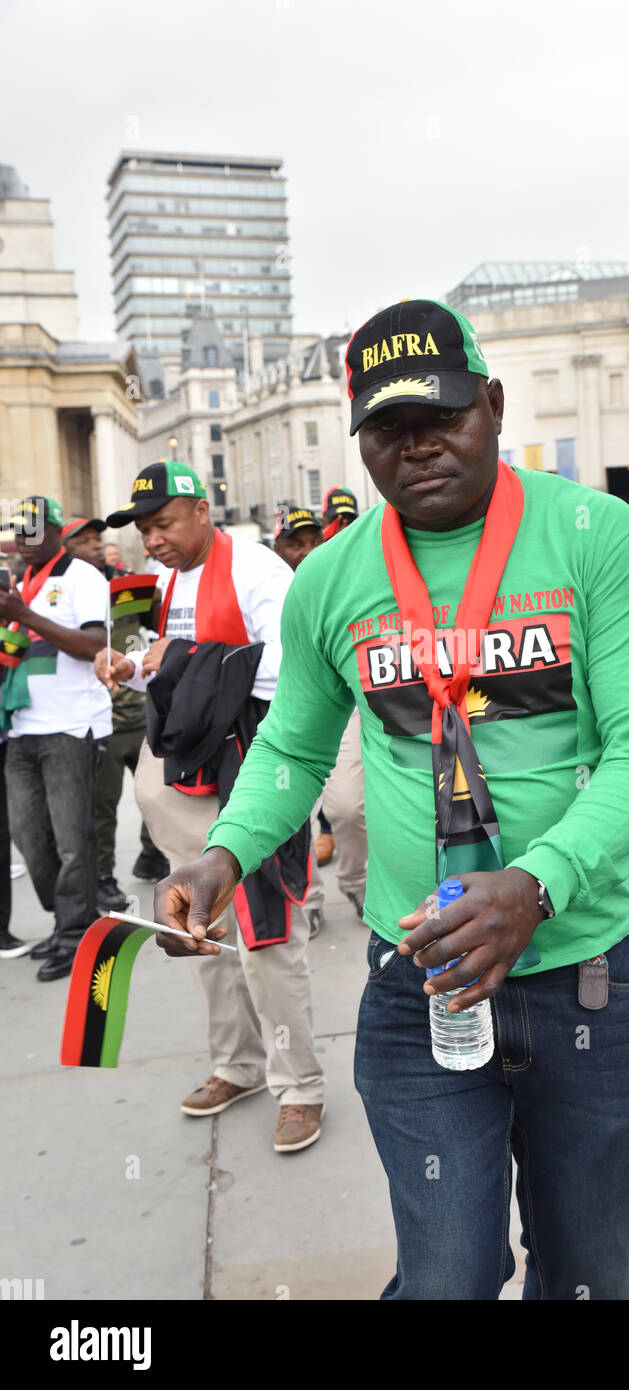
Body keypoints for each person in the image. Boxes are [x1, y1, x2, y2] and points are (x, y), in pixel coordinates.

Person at [152, 296, 629, 1301]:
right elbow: (293, 746)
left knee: (585, 1274)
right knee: (446, 1274)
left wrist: (536, 883)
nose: (420, 445)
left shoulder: (595, 538)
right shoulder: (331, 582)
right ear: (361, 442)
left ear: (491, 403)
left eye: (443, 416)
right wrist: (223, 851)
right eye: (389, 428)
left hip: (584, 985)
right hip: (419, 985)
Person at [97, 461, 326, 1153]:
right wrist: (125, 664)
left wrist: (180, 656)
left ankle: (301, 1087)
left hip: (246, 771)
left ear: (201, 510)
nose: (153, 540)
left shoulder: (259, 571)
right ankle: (239, 1064)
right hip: (179, 778)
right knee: (193, 927)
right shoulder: (150, 582)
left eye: (163, 524)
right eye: (143, 529)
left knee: (266, 934)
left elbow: (291, 668)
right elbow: (141, 654)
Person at [0, 496, 111, 980]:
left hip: (69, 724)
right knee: (29, 838)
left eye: (33, 531)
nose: (25, 542)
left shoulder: (81, 576)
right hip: (22, 724)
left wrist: (24, 616)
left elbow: (96, 646)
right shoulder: (21, 580)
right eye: (17, 532)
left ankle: (76, 933)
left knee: (72, 841)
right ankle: (66, 918)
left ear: (56, 530)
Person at [61, 517, 169, 911]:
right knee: (102, 806)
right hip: (98, 718)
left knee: (157, 796)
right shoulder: (61, 597)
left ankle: (152, 853)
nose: (94, 546)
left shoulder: (121, 587)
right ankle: (104, 875)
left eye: (97, 539)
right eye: (83, 541)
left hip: (140, 711)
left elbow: (147, 633)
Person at [273, 504, 368, 928]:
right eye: (295, 543)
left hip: (339, 708)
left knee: (347, 807)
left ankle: (356, 882)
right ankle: (306, 901)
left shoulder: (338, 578)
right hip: (275, 714)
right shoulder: (266, 584)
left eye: (313, 540)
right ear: (277, 547)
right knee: (289, 816)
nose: (306, 550)